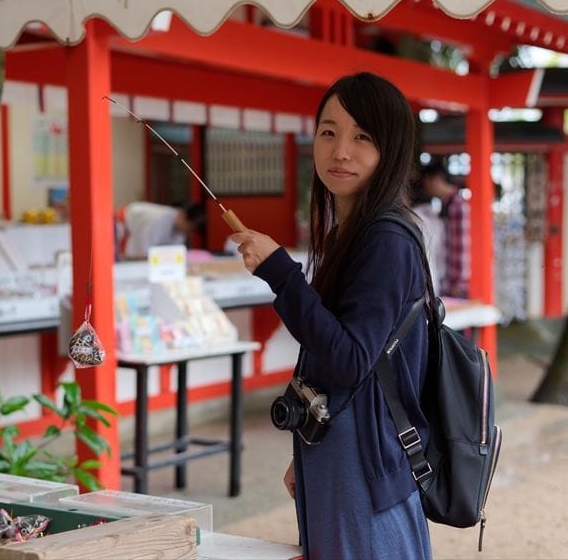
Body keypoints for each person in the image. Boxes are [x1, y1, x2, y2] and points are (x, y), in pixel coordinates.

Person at [231, 72, 432, 559]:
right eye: (329, 132)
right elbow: (338, 356)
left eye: (362, 136)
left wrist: (282, 274)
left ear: (392, 149)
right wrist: (309, 443)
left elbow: (349, 360)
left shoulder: (385, 239)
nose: (341, 150)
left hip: (364, 468)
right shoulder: (353, 233)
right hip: (344, 456)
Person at [418, 162, 471, 299]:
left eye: (426, 183)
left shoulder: (457, 205)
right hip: (451, 281)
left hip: (457, 285)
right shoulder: (448, 204)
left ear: (436, 179)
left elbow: (461, 247)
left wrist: (457, 283)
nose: (425, 188)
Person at [114, 201, 205, 260]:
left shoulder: (179, 231)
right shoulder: (160, 221)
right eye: (189, 228)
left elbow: (173, 254)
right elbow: (141, 253)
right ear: (183, 215)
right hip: (121, 221)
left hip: (130, 231)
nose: (188, 232)